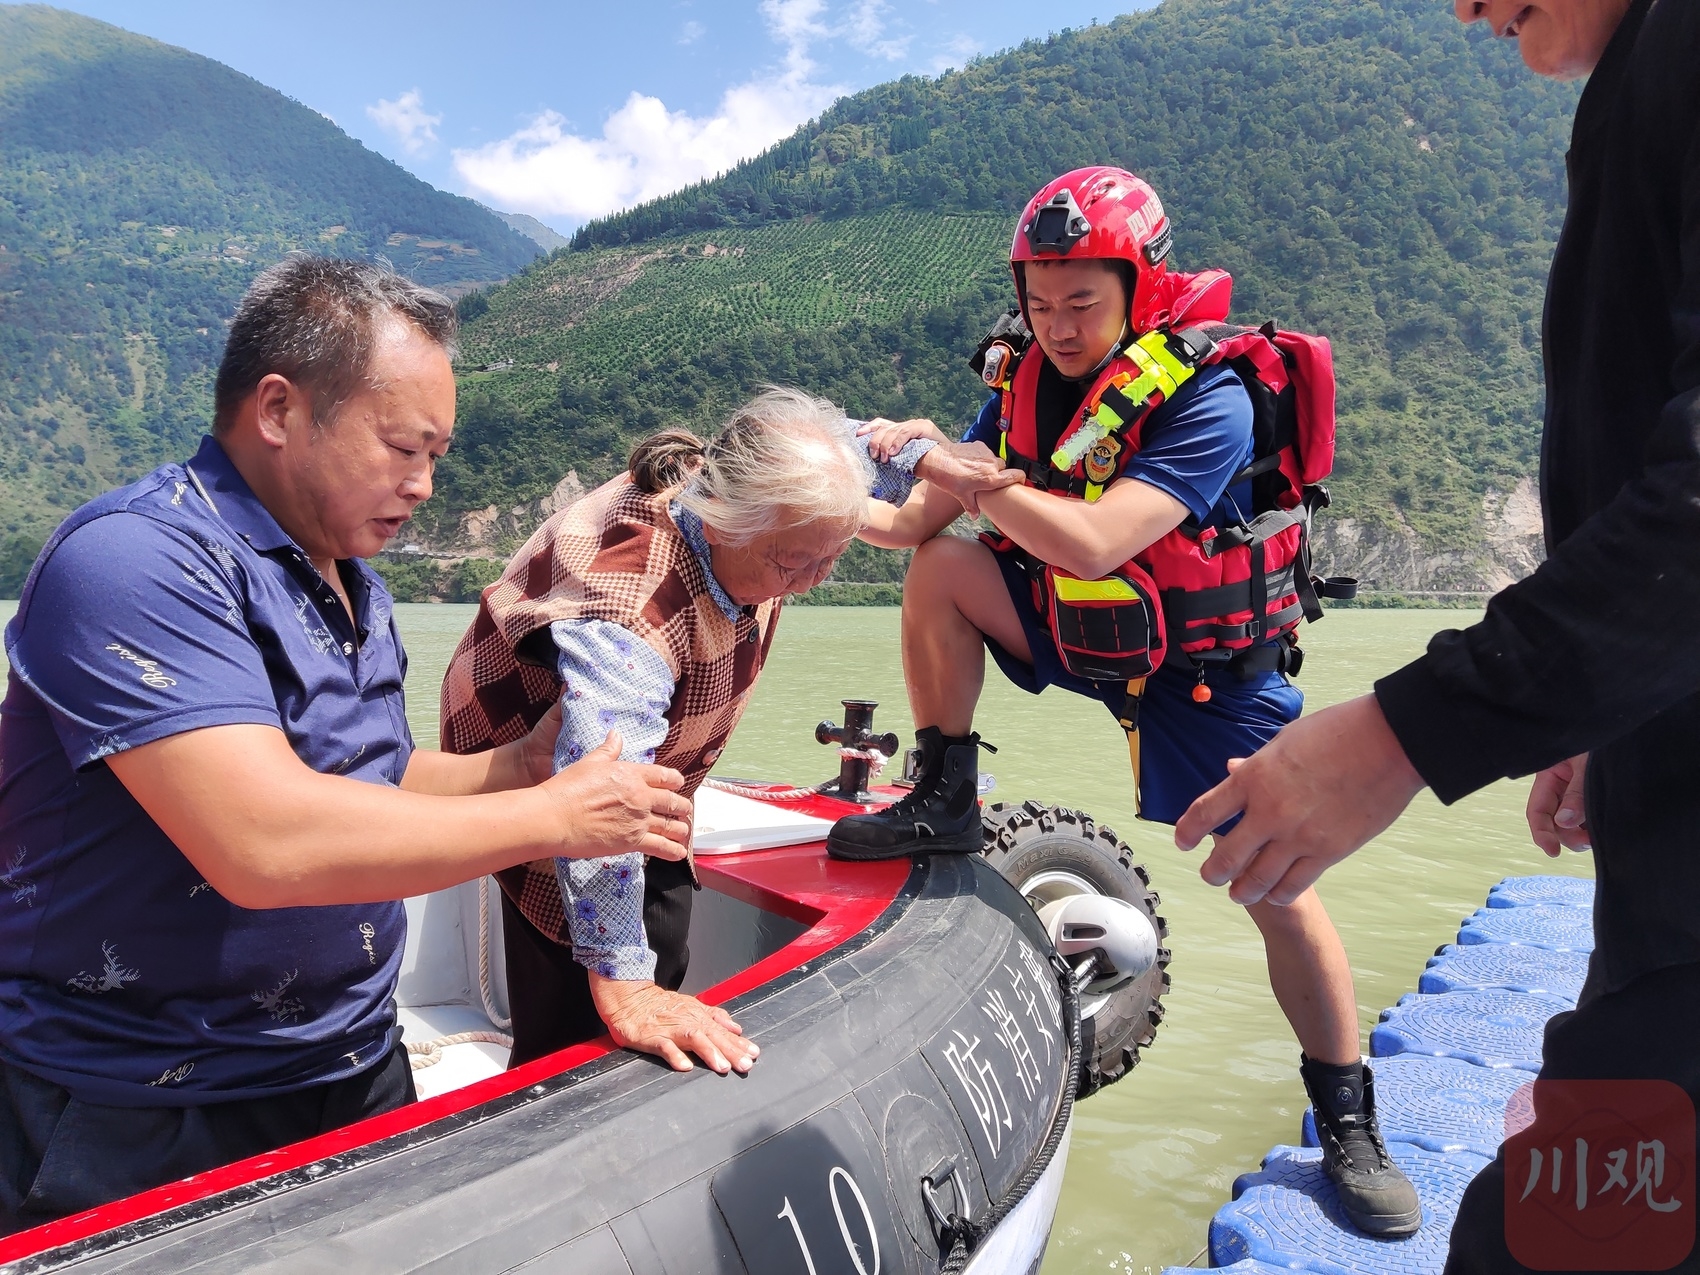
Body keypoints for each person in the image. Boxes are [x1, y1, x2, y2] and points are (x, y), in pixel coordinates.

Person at [0, 256, 695, 1234]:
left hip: (354, 1066)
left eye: (439, 456)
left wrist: (521, 766)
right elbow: (263, 842)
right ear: (279, 411)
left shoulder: (349, 579)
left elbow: (371, 774)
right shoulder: (134, 561)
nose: (422, 485)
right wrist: (553, 819)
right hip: (138, 1106)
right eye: (403, 448)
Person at [1173, 1, 1697, 1268]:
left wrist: (1406, 733)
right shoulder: (1640, 74)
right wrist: (1603, 708)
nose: (1458, 6)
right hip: (1666, 858)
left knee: (1557, 1235)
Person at [830, 166, 1422, 1236]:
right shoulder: (1016, 379)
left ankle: (1346, 1116)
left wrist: (954, 468)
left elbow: (1100, 539)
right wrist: (826, 483)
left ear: (1139, 289)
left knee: (1275, 890)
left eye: (1080, 305)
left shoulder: (1211, 394)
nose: (1054, 329)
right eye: (1038, 304)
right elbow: (913, 526)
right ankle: (943, 793)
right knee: (944, 570)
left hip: (1200, 670)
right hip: (1078, 627)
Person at [439, 387, 1019, 1075]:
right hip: (524, 760)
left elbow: (860, 446)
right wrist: (625, 987)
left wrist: (929, 460)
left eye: (829, 558)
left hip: (649, 762)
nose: (809, 581)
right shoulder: (630, 615)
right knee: (575, 1007)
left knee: (665, 919)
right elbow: (596, 793)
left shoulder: (773, 492)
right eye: (792, 562)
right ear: (721, 523)